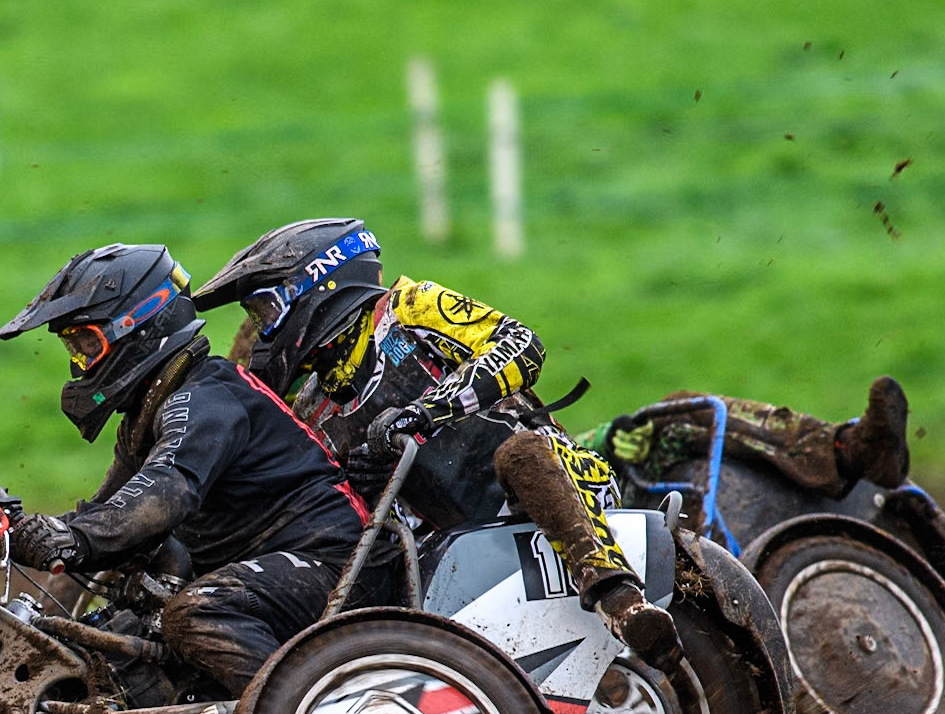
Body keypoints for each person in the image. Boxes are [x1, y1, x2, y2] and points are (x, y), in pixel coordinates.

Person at [195, 218, 682, 670]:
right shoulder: (312, 408)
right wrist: (364, 481)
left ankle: (620, 599)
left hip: (558, 487)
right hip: (447, 546)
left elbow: (520, 345)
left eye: (266, 311)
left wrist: (424, 412)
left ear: (318, 285)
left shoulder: (407, 309)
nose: (261, 332)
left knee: (520, 455)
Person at [0, 243, 370, 695]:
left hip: (335, 565)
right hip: (268, 573)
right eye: (74, 349)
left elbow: (168, 489)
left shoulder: (206, 395)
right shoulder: (147, 415)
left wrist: (72, 539)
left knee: (196, 613)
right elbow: (112, 509)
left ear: (140, 323)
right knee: (98, 651)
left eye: (88, 344)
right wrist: (20, 528)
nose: (81, 363)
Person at [585, 377, 911, 499]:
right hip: (599, 521)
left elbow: (552, 449)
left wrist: (608, 437)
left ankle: (853, 448)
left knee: (675, 407)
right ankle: (849, 450)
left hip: (603, 492)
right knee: (671, 421)